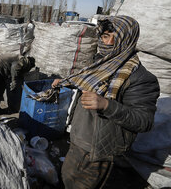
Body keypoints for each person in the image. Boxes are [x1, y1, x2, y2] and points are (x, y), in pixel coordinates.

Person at [52, 16, 160, 189]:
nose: (108, 42)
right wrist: (66, 82)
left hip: (98, 152)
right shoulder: (101, 63)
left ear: (127, 38)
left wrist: (107, 105)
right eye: (104, 36)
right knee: (66, 180)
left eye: (113, 37)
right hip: (78, 139)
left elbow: (143, 121)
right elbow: (87, 81)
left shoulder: (140, 79)